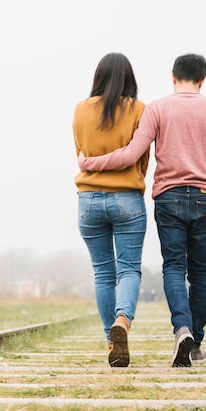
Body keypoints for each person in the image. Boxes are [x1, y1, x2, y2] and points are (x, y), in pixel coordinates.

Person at [78, 53, 206, 367]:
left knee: (172, 268)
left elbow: (131, 153)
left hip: (168, 197)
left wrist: (90, 163)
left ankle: (181, 329)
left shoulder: (157, 109)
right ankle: (195, 341)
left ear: (172, 77)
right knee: (200, 273)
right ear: (203, 79)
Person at [72, 52, 149, 367]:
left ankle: (110, 342)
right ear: (129, 78)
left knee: (103, 273)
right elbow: (141, 156)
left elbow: (79, 151)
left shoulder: (80, 109)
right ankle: (123, 321)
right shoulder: (139, 110)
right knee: (128, 268)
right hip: (127, 198)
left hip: (88, 199)